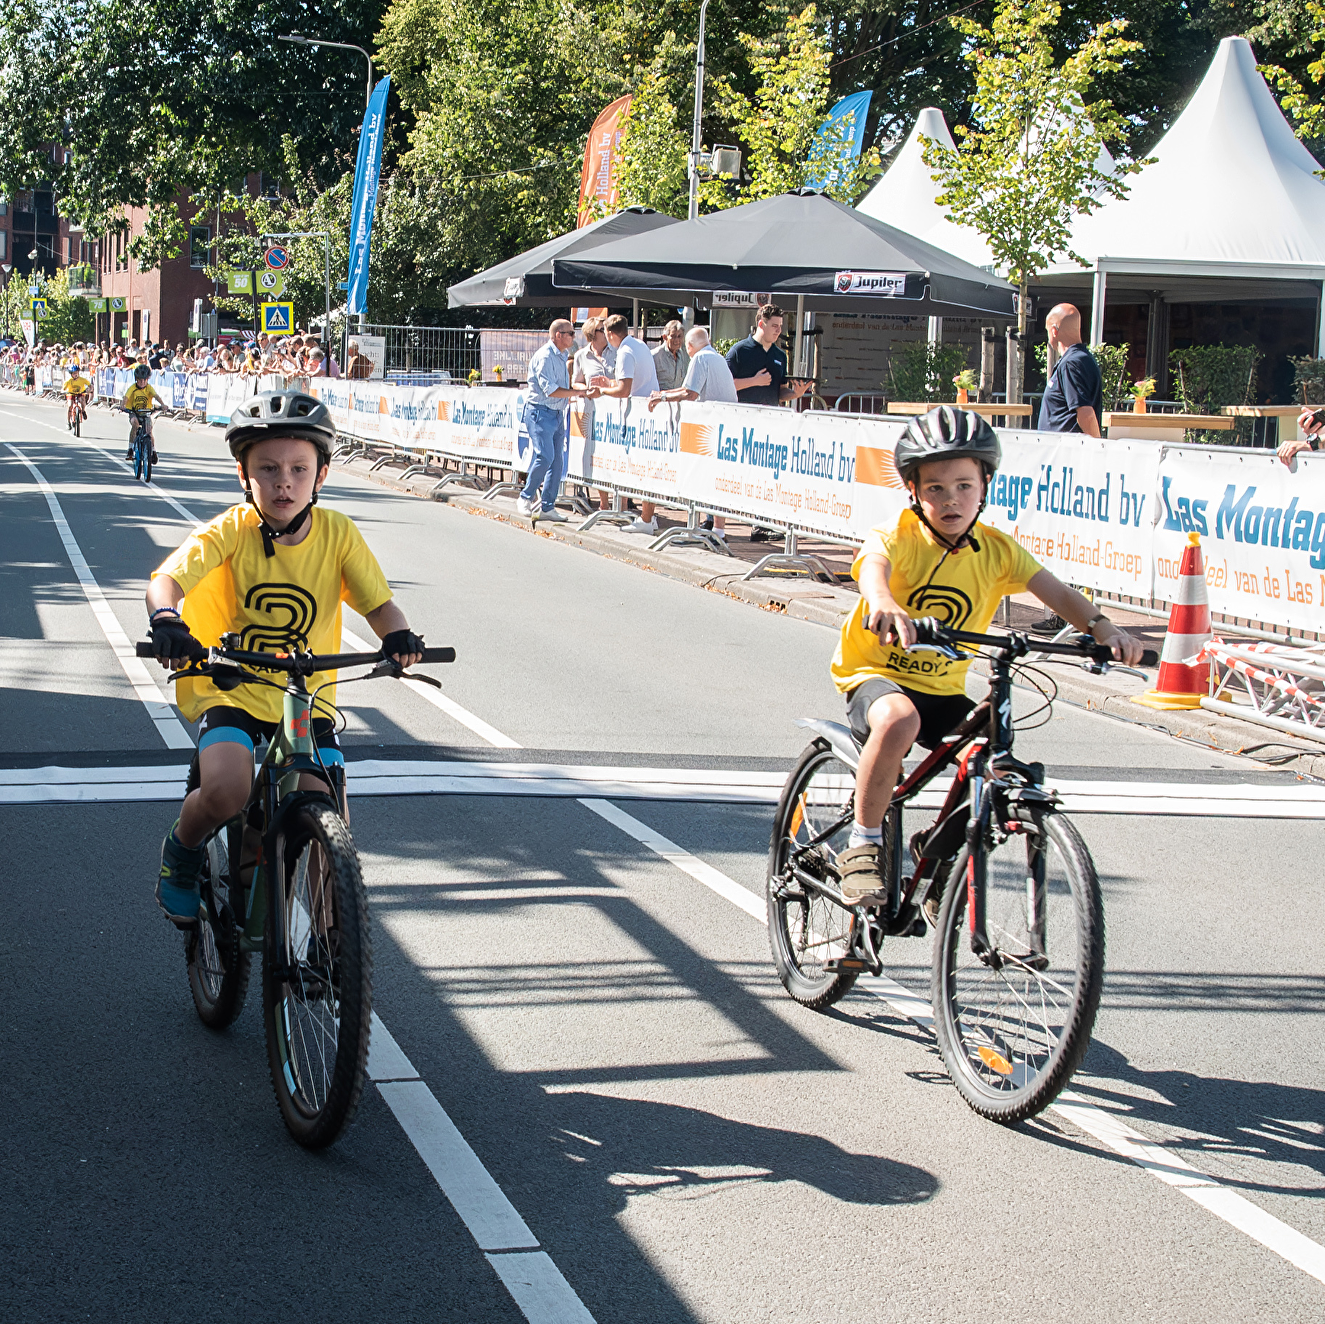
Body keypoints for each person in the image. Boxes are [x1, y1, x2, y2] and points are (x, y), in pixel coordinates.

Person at [830, 406, 1142, 906]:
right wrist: (884, 603)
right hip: (876, 672)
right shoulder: (899, 535)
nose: (950, 499)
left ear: (984, 487)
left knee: (991, 762)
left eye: (963, 486)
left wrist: (1102, 628)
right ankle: (863, 845)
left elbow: (1058, 593)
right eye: (935, 488)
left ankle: (939, 853)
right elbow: (873, 567)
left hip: (943, 687)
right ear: (913, 491)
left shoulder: (997, 550)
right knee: (897, 719)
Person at [143, 391, 425, 926]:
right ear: (243, 474)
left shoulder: (338, 534)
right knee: (228, 789)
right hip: (232, 686)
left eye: (299, 469)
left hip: (304, 698)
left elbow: (379, 605)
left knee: (327, 813)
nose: (284, 483)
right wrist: (166, 620)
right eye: (268, 469)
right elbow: (167, 581)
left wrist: (398, 636)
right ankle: (181, 853)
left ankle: (332, 943)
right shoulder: (231, 530)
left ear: (321, 476)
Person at [649, 325, 739, 539]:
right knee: (715, 480)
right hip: (722, 425)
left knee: (701, 478)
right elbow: (687, 389)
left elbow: (690, 393)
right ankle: (718, 530)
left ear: (689, 346)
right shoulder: (716, 357)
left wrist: (662, 397)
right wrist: (663, 394)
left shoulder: (699, 358)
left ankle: (698, 529)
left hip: (708, 429)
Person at [517, 319, 597, 522]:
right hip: (540, 412)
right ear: (558, 335)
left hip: (556, 413)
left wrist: (575, 393)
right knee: (545, 456)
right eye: (570, 333)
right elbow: (551, 390)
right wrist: (577, 393)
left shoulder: (562, 355)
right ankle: (526, 496)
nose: (574, 337)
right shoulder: (545, 356)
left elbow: (561, 389)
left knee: (557, 461)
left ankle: (547, 506)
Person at [591, 314, 661, 533]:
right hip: (646, 414)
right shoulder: (639, 345)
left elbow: (624, 390)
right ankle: (648, 518)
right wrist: (609, 383)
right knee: (645, 469)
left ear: (610, 333)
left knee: (644, 470)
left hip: (640, 417)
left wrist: (602, 390)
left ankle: (647, 520)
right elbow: (630, 382)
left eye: (605, 333)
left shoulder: (625, 352)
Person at [726, 304, 811, 407]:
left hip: (770, 414)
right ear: (761, 324)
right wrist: (753, 381)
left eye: (780, 326)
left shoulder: (780, 355)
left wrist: (795, 394)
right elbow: (725, 385)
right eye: (774, 326)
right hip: (742, 413)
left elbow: (781, 391)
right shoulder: (739, 351)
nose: (779, 330)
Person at [572, 317, 616, 511]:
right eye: (601, 329)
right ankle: (604, 503)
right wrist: (586, 389)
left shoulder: (617, 352)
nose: (606, 332)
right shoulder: (581, 356)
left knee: (618, 456)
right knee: (599, 457)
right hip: (595, 413)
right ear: (592, 334)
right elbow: (576, 382)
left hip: (617, 410)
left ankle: (622, 504)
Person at [1039, 304, 1103, 436]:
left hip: (1065, 447)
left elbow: (1086, 413)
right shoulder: (1083, 359)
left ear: (1054, 331)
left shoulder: (1071, 363)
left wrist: (1098, 445)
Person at [121, 363, 164, 463]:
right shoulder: (133, 388)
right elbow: (126, 397)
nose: (142, 382)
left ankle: (153, 451)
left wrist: (163, 405)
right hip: (134, 411)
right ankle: (130, 448)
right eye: (140, 380)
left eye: (144, 380)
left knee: (149, 430)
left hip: (146, 412)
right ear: (136, 379)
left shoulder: (149, 388)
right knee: (135, 424)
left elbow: (156, 396)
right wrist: (123, 405)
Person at [651, 319, 689, 391]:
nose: (677, 340)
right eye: (673, 336)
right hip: (660, 396)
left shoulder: (682, 355)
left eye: (679, 336)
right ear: (665, 337)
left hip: (677, 396)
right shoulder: (655, 356)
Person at [64, 362, 92, 428]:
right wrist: (63, 391)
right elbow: (63, 388)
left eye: (76, 373)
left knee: (82, 401)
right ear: (71, 374)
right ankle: (68, 422)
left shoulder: (82, 380)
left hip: (80, 393)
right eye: (74, 373)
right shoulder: (68, 381)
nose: (75, 374)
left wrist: (89, 390)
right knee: (70, 405)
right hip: (71, 393)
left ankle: (83, 411)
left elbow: (90, 385)